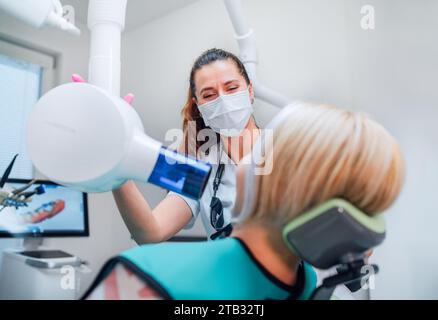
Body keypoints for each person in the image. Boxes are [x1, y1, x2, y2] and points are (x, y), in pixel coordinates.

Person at [83, 103, 405, 300]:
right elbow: (151, 229)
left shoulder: (144, 278)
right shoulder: (311, 286)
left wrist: (113, 161)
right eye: (208, 94)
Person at [112, 48, 261, 242]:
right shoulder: (200, 166)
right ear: (199, 106)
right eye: (209, 95)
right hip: (227, 271)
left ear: (250, 91)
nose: (223, 100)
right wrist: (116, 167)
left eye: (231, 88)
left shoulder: (286, 148)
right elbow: (150, 233)